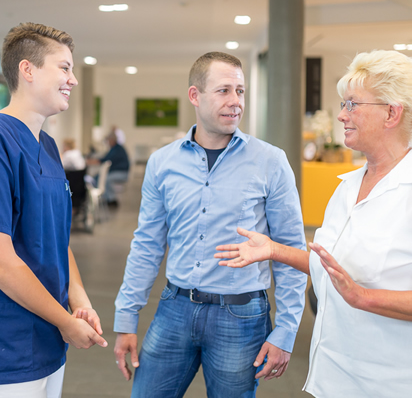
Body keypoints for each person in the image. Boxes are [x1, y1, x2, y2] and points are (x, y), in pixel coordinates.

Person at [215, 50, 412, 397]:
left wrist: (365, 298)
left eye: (353, 104)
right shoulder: (348, 187)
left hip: (389, 381)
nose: (341, 115)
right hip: (334, 374)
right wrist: (275, 250)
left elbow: (353, 290)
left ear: (392, 113)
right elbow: (331, 269)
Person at [114, 52, 307, 398]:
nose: (235, 102)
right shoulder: (163, 163)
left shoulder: (270, 161)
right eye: (223, 91)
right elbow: (147, 244)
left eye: (241, 91)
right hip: (174, 307)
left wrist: (287, 329)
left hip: (242, 316)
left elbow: (292, 250)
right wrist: (126, 318)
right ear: (195, 95)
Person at [0, 22, 107, 397]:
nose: (73, 79)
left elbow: (57, 239)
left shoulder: (47, 147)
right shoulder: (1, 142)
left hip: (50, 345)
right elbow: (1, 260)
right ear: (27, 69)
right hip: (10, 351)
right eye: (64, 67)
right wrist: (65, 320)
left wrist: (80, 302)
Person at [87, 129, 130, 207]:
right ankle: (105, 198)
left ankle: (111, 200)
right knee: (98, 177)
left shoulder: (117, 150)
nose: (107, 142)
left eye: (108, 140)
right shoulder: (115, 149)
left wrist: (89, 161)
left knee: (105, 179)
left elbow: (105, 160)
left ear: (112, 140)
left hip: (121, 173)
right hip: (117, 171)